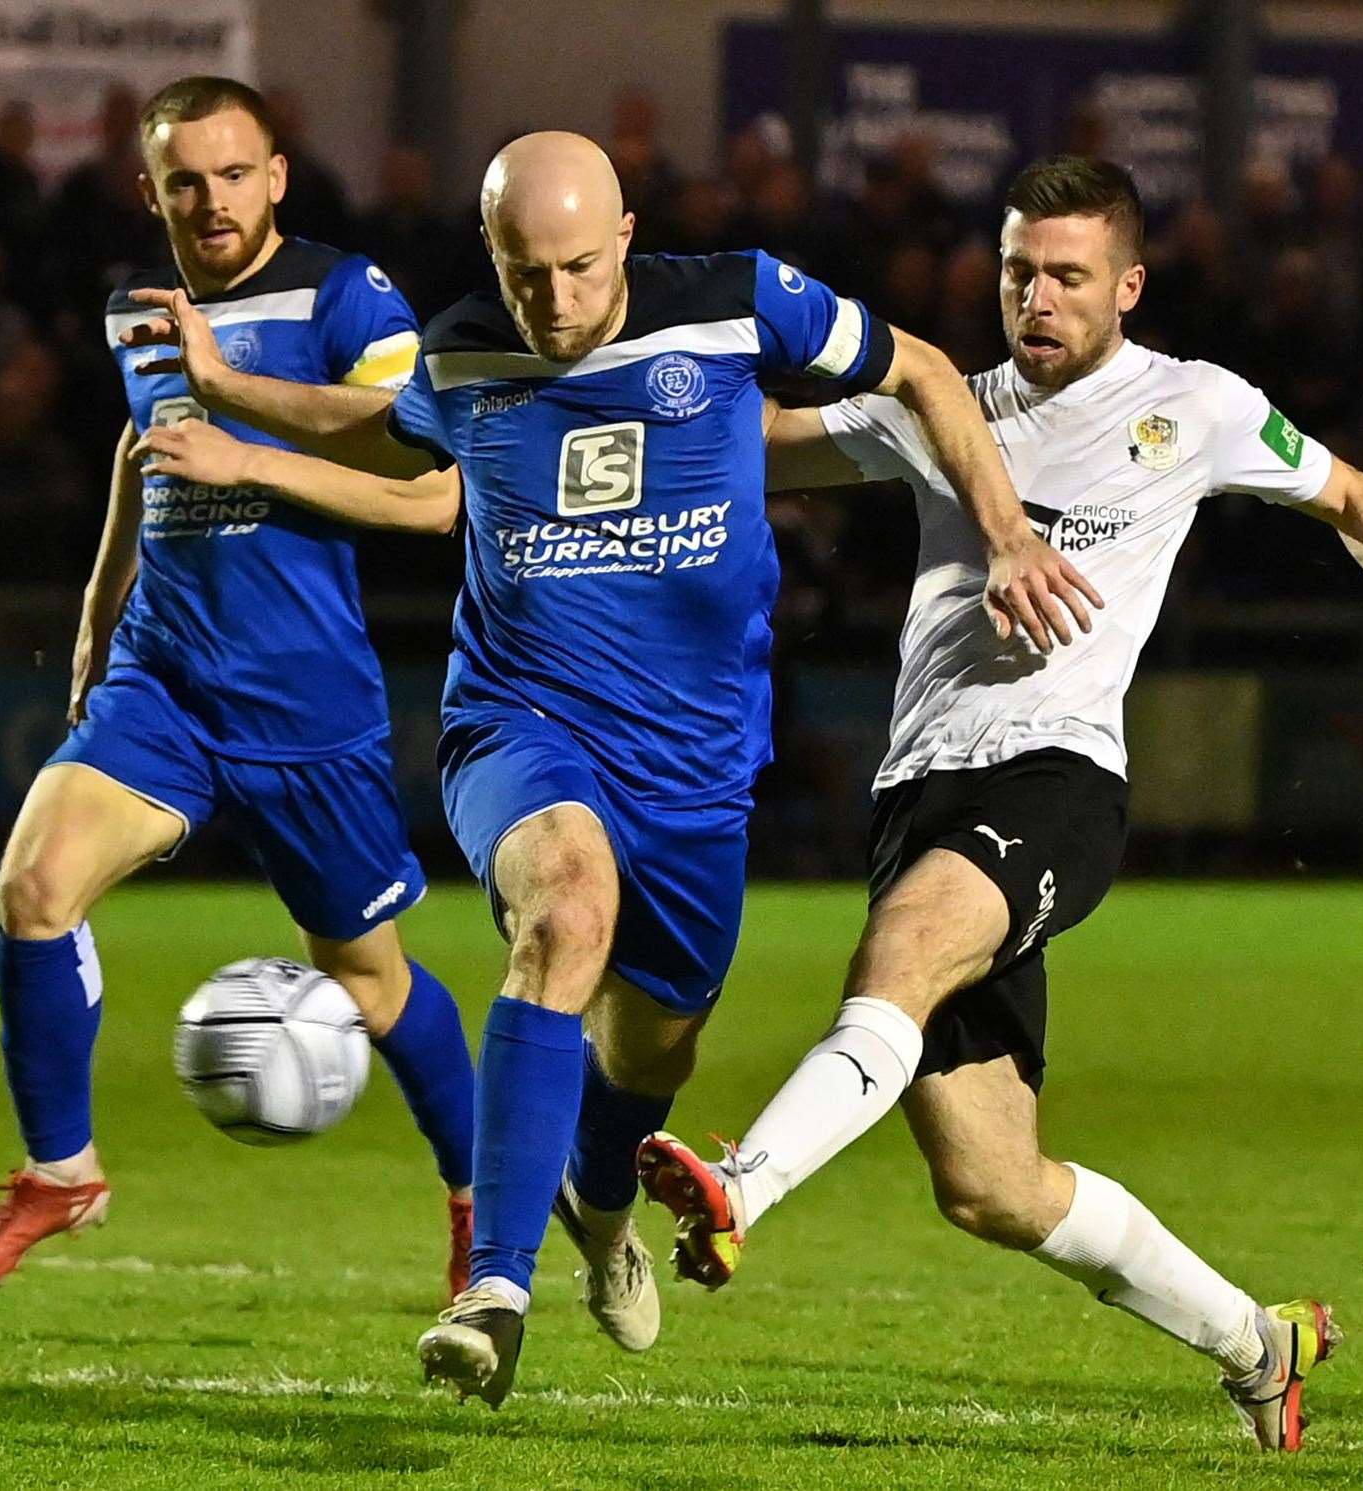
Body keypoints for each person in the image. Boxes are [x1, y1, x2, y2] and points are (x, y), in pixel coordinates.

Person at [125, 129, 1098, 1408]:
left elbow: (920, 369)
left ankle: (598, 1201)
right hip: (518, 725)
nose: (557, 303)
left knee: (653, 1056)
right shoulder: (470, 342)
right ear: (494, 256)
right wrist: (228, 389)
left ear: (627, 233)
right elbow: (386, 429)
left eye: (580, 268)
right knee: (564, 913)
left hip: (694, 770)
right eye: (528, 274)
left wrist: (1008, 530)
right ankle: (496, 1286)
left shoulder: (741, 301)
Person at [638, 156, 1363, 1452]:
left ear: (1126, 282)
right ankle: (1257, 1338)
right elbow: (761, 443)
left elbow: (1348, 491)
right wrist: (629, 405)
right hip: (919, 788)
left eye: (1067, 273)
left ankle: (738, 1186)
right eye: (1017, 268)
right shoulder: (941, 403)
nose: (1037, 294)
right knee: (991, 1184)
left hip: (1058, 776)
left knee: (896, 953)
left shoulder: (1195, 406)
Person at [0, 76, 476, 1302]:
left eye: (236, 174)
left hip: (306, 707)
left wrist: (244, 434)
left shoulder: (349, 293)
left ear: (277, 176)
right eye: (187, 180)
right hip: (163, 682)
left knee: (368, 977)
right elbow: (144, 453)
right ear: (152, 191)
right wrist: (97, 609)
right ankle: (59, 1171)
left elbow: (422, 463)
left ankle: (476, 1193)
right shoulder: (138, 307)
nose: (213, 199)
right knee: (33, 888)